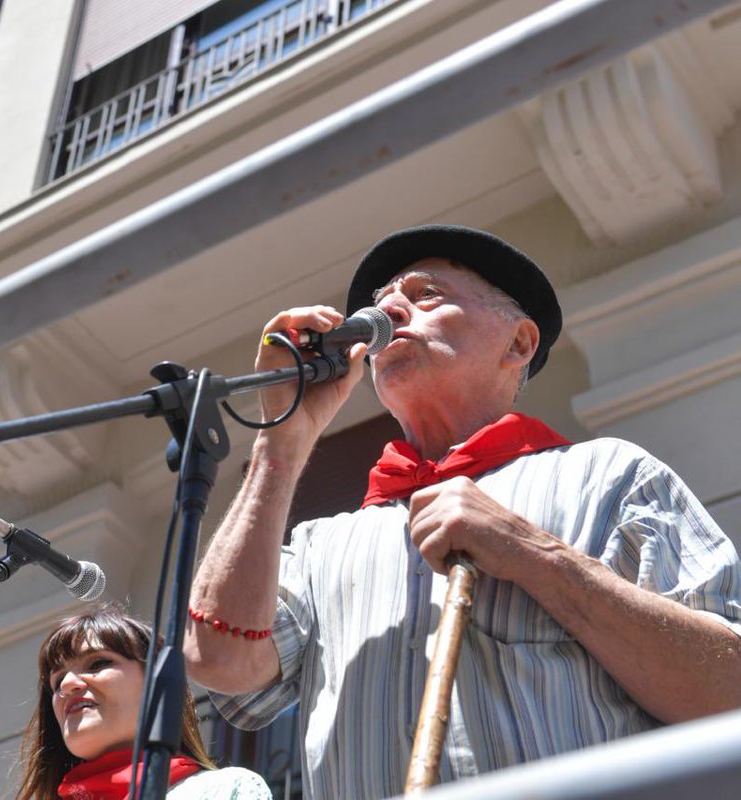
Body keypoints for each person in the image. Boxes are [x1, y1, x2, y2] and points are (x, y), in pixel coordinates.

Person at [183, 224, 741, 800]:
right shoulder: (324, 543)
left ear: (519, 344)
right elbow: (217, 659)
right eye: (380, 305)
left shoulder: (611, 475)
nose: (391, 307)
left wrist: (534, 554)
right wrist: (283, 440)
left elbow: (729, 696)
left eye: (426, 294)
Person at [17, 604, 271, 799]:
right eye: (57, 681)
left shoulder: (225, 790)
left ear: (160, 683)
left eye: (98, 663)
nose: (67, 685)